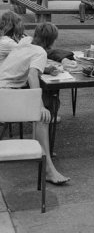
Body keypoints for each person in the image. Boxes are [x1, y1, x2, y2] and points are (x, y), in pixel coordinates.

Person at [0, 22, 70, 185]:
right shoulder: (40, 52)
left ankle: (42, 156)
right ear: (52, 40)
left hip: (3, 87)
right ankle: (48, 169)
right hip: (5, 93)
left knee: (41, 112)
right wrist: (38, 106)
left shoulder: (25, 41)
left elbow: (24, 62)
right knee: (42, 116)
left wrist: (44, 69)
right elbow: (32, 76)